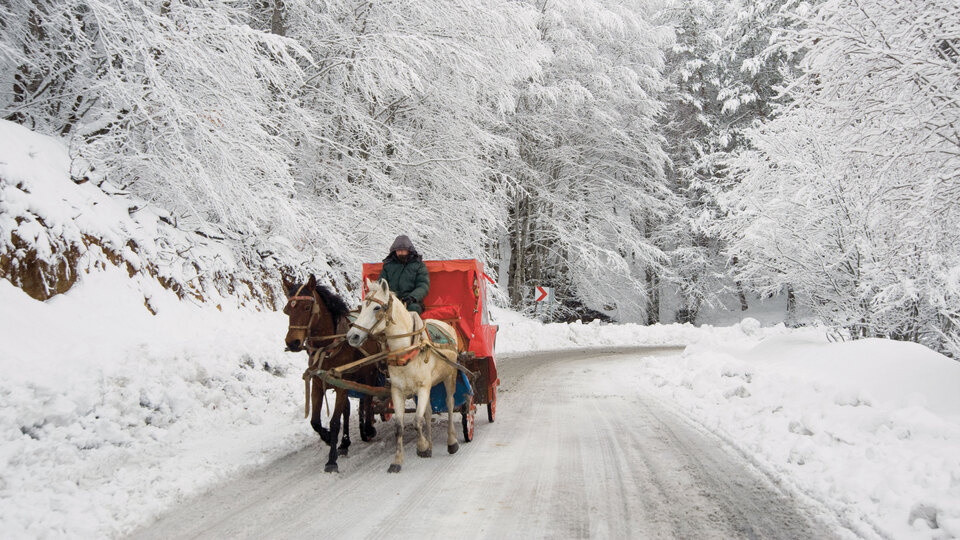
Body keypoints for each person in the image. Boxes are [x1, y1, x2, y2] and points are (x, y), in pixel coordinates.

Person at [378, 235, 429, 314]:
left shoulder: (419, 265)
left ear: (409, 250)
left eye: (402, 250)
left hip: (411, 302)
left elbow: (423, 285)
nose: (400, 252)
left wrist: (412, 298)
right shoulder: (388, 266)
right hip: (391, 300)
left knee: (413, 310)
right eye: (398, 250)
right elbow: (381, 283)